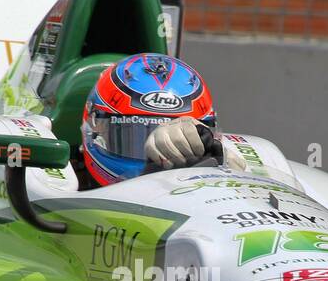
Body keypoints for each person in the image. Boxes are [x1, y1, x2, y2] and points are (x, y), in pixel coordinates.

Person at [79, 53, 243, 186]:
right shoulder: (63, 188)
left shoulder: (233, 162)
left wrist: (232, 178)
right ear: (94, 128)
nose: (158, 162)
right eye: (133, 139)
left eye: (181, 146)